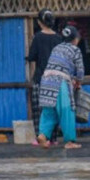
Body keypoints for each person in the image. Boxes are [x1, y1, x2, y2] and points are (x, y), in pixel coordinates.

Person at [36, 25, 84, 150]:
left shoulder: (57, 48)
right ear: (75, 39)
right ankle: (69, 141)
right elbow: (80, 71)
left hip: (46, 80)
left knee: (49, 111)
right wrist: (78, 82)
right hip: (60, 81)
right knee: (66, 110)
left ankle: (42, 135)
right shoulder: (75, 49)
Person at [26, 9, 62, 139]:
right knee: (54, 109)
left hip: (41, 78)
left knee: (39, 110)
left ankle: (41, 137)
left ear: (39, 22)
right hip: (56, 80)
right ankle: (53, 137)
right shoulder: (59, 38)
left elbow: (31, 57)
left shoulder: (38, 37)